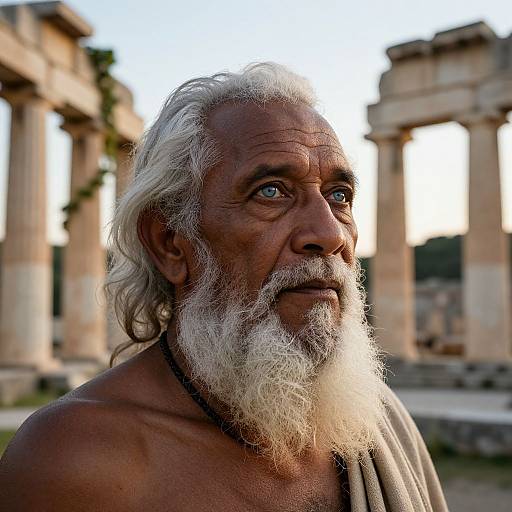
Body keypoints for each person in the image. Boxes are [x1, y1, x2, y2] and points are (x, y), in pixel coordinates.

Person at [0, 63, 448, 511]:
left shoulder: (378, 417)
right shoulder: (76, 461)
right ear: (170, 243)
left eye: (339, 196)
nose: (329, 234)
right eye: (271, 192)